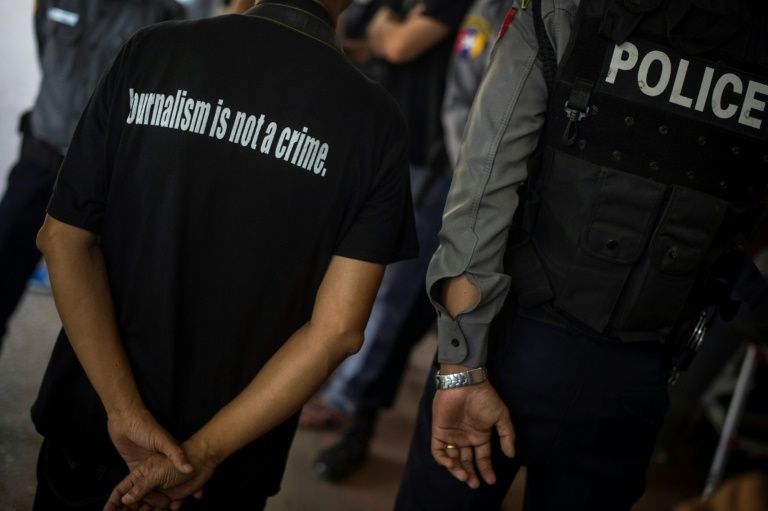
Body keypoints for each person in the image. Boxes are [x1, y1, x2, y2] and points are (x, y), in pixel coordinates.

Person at [30, 0, 418, 509]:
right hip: (223, 466)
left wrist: (124, 413)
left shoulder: (154, 51)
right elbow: (338, 331)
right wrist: (204, 453)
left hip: (92, 421)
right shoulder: (376, 122)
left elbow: (64, 239)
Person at [396, 0, 768, 509]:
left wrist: (462, 369)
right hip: (635, 383)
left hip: (508, 346)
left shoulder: (562, 10)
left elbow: (480, 198)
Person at [303, 0, 474, 482]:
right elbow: (354, 35)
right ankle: (332, 387)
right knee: (341, 273)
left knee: (390, 296)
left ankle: (349, 406)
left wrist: (384, 32)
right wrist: (381, 31)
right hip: (371, 144)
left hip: (427, 159)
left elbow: (395, 43)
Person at [0, 0, 182, 352]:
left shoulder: (161, 14)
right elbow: (45, 52)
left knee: (106, 301)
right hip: (41, 159)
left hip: (108, 179)